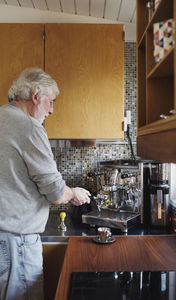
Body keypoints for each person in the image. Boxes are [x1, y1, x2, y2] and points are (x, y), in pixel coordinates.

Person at [0, 68, 91, 300]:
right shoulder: (29, 127)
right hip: (16, 244)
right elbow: (56, 193)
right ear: (35, 96)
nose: (51, 110)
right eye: (50, 102)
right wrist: (75, 192)